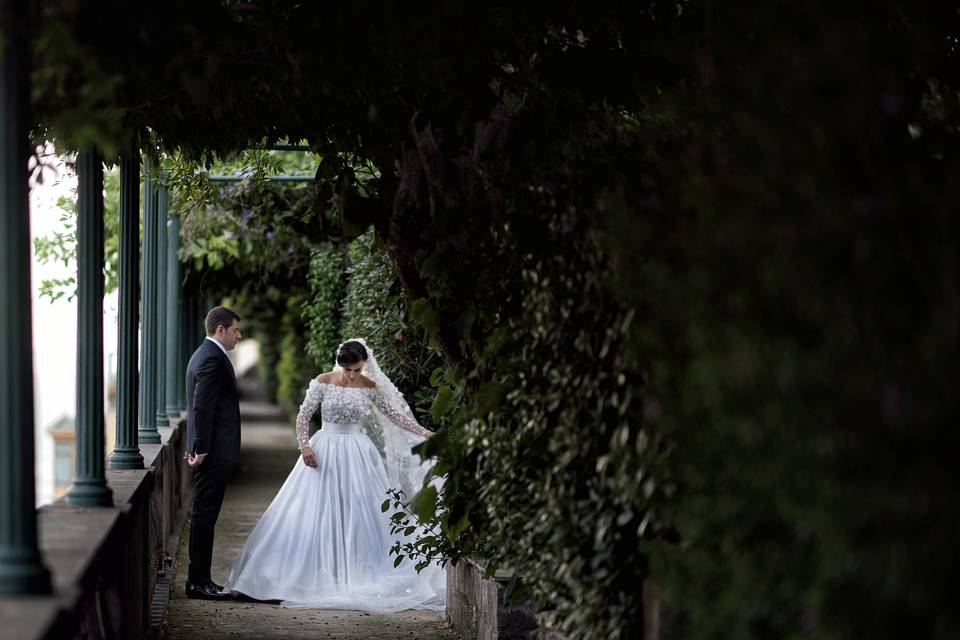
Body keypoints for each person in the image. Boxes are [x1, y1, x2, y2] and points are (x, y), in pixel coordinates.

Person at [223, 338, 445, 612]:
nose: (353, 375)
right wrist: (304, 446)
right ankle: (298, 574)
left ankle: (357, 569)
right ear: (340, 363)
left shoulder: (370, 387)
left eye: (358, 370)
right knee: (313, 511)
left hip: (357, 453)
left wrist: (424, 433)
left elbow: (395, 417)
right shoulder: (323, 381)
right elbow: (303, 416)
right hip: (325, 449)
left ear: (364, 366)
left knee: (361, 511)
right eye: (349, 369)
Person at [183, 306, 243, 601]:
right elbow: (201, 407)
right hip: (212, 453)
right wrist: (202, 449)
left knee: (206, 515)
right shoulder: (211, 358)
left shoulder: (204, 354)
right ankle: (197, 582)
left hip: (212, 451)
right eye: (235, 330)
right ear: (221, 329)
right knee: (205, 516)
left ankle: (202, 579)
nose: (238, 336)